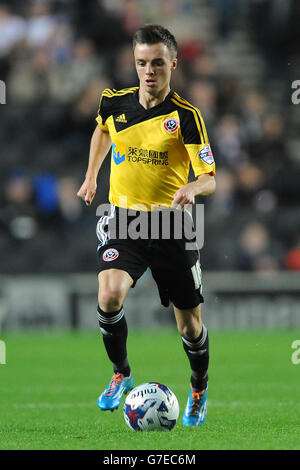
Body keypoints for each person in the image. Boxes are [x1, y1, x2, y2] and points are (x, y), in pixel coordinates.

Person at [77, 24, 216, 427]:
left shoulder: (186, 116)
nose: (149, 70)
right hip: (124, 219)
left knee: (190, 326)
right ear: (133, 64)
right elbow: (103, 129)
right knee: (109, 295)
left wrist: (193, 186)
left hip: (173, 226)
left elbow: (210, 175)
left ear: (174, 62)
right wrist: (91, 177)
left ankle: (199, 386)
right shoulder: (113, 102)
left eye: (157, 62)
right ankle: (121, 373)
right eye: (141, 63)